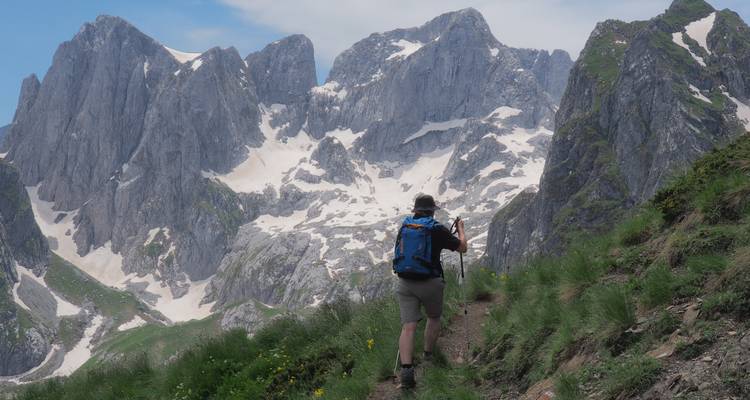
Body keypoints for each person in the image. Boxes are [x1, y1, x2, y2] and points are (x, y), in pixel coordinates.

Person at [393, 194, 467, 389]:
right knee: (433, 317)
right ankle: (428, 357)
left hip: (405, 282)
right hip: (430, 282)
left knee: (408, 327)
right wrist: (460, 230)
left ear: (415, 210)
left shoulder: (405, 226)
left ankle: (407, 371)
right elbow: (462, 248)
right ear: (432, 211)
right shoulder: (436, 228)